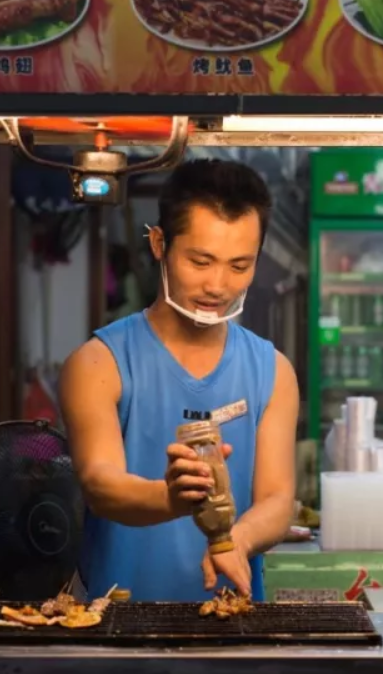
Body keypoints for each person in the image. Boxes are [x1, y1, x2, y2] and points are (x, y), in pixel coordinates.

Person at [59, 159, 298, 602]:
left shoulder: (273, 371)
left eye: (239, 265)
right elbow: (100, 484)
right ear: (158, 243)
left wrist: (236, 540)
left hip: (234, 627)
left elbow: (278, 499)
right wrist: (173, 499)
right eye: (200, 261)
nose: (218, 285)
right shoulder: (99, 364)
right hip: (115, 629)